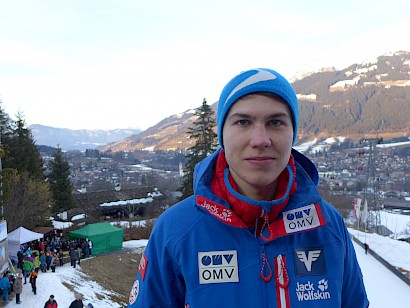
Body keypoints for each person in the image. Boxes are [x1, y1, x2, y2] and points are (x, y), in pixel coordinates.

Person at [127, 68, 369, 307]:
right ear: (222, 134)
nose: (260, 140)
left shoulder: (328, 226)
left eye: (276, 122)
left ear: (293, 133)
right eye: (243, 122)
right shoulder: (176, 231)